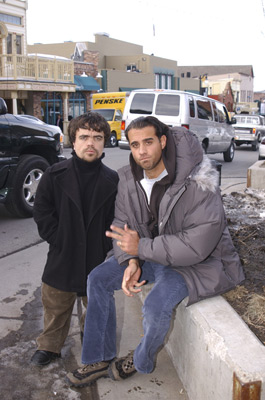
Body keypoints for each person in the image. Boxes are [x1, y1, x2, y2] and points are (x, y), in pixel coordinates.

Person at [66, 116, 244, 387]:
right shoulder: (128, 178)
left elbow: (197, 244)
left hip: (195, 264)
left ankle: (140, 360)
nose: (141, 152)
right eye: (135, 144)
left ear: (162, 141)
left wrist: (142, 248)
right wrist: (131, 260)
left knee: (155, 305)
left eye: (148, 142)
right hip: (149, 254)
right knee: (98, 279)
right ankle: (98, 357)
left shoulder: (199, 181)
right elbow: (121, 224)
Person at [30, 112, 119, 366]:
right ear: (74, 140)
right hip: (63, 254)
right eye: (84, 137)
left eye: (97, 137)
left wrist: (105, 246)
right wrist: (58, 238)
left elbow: (116, 217)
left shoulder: (112, 179)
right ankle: (49, 347)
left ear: (104, 142)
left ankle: (93, 344)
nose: (90, 143)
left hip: (96, 256)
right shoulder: (54, 174)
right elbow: (42, 211)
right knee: (56, 305)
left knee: (95, 307)